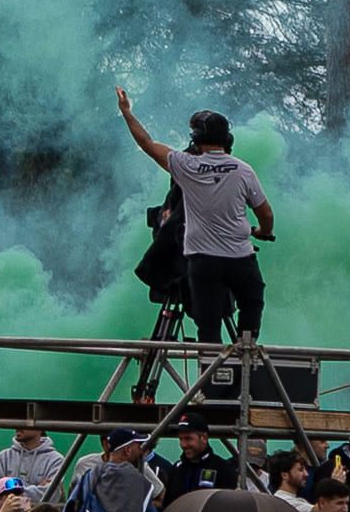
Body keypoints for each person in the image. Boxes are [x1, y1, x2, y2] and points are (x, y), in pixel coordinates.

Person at [116, 92, 276, 344]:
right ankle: (246, 347)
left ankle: (210, 376)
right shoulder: (243, 170)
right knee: (252, 299)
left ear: (196, 139)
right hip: (240, 258)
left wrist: (126, 112)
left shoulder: (186, 166)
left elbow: (146, 143)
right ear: (227, 140)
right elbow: (265, 214)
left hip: (203, 261)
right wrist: (263, 232)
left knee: (208, 324)